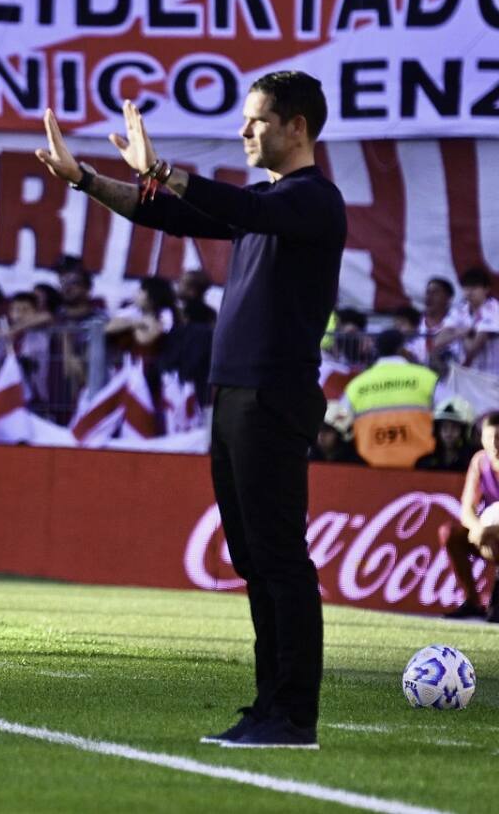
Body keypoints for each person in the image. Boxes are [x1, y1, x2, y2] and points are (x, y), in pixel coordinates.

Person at [37, 70, 345, 749]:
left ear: (296, 127)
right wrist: (86, 179)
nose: (243, 132)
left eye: (256, 120)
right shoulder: (268, 203)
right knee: (253, 559)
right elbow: (167, 213)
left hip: (272, 395)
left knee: (280, 557)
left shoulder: (313, 202)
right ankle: (269, 707)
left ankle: (294, 715)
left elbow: (244, 210)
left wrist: (167, 169)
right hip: (234, 394)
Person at [343, 328, 438, 468]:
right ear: (402, 349)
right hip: (420, 469)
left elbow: (340, 422)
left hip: (368, 471)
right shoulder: (427, 378)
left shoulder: (356, 386)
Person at [440, 412, 499, 621]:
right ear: (481, 438)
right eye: (490, 437)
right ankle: (473, 601)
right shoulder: (480, 461)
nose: (494, 444)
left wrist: (490, 531)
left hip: (493, 533)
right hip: (486, 533)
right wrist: (477, 529)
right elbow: (467, 507)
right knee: (450, 533)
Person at [417, 396, 476, 472]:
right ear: (437, 430)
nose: (449, 432)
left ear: (464, 432)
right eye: (444, 427)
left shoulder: (472, 464)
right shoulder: (426, 464)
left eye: (454, 427)